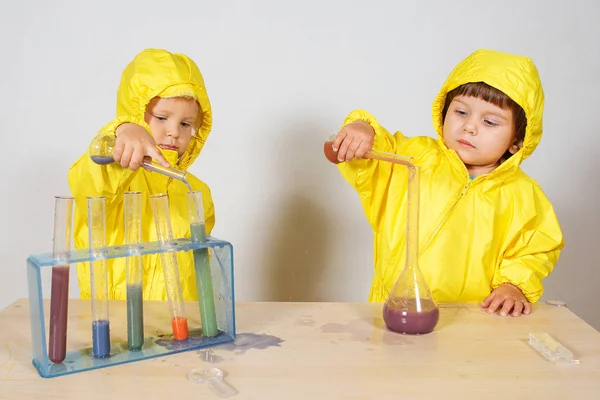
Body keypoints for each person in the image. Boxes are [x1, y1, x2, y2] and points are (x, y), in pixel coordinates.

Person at [330, 48, 564, 317]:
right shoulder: (412, 159)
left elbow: (536, 247)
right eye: (461, 112)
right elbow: (375, 154)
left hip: (473, 321)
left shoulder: (523, 194)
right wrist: (363, 131)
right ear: (444, 111)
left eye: (489, 121)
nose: (469, 127)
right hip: (395, 309)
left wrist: (514, 285)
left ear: (517, 140)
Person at [68, 48, 215, 301]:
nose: (174, 132)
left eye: (185, 123)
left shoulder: (196, 190)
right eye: (161, 117)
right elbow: (88, 183)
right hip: (114, 329)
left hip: (180, 331)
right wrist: (122, 130)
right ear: (137, 114)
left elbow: (198, 272)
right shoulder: (112, 175)